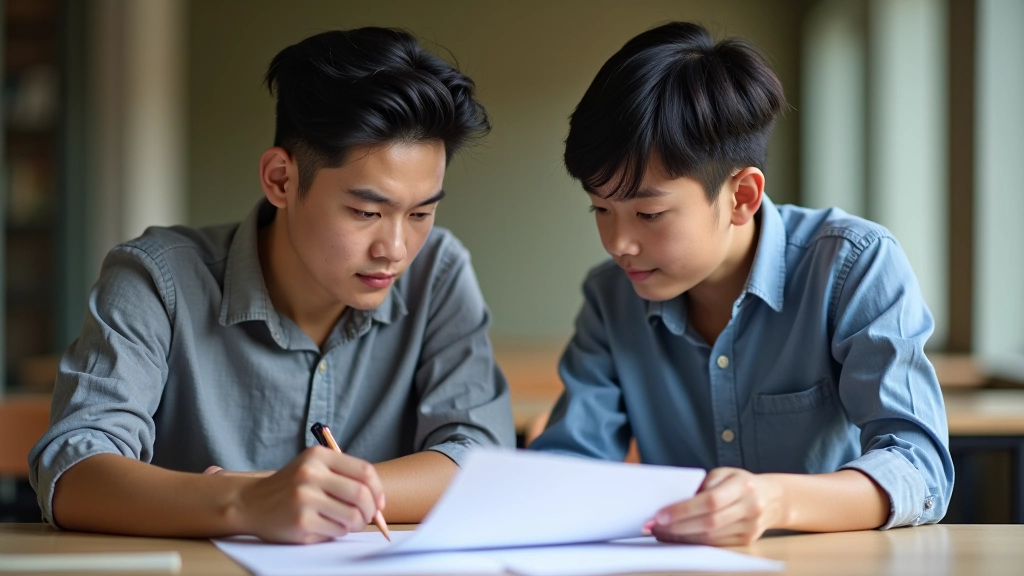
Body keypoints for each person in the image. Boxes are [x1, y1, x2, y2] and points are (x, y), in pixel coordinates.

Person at [29, 27, 514, 544]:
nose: (394, 248)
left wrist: (303, 493)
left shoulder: (437, 273)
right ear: (281, 179)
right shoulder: (155, 278)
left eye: (421, 212)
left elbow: (480, 461)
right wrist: (246, 502)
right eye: (366, 211)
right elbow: (74, 470)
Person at [529, 21, 953, 545]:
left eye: (648, 213)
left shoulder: (853, 265)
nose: (618, 243)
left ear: (743, 196)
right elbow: (572, 463)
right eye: (601, 209)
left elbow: (920, 469)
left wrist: (773, 500)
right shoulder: (611, 297)